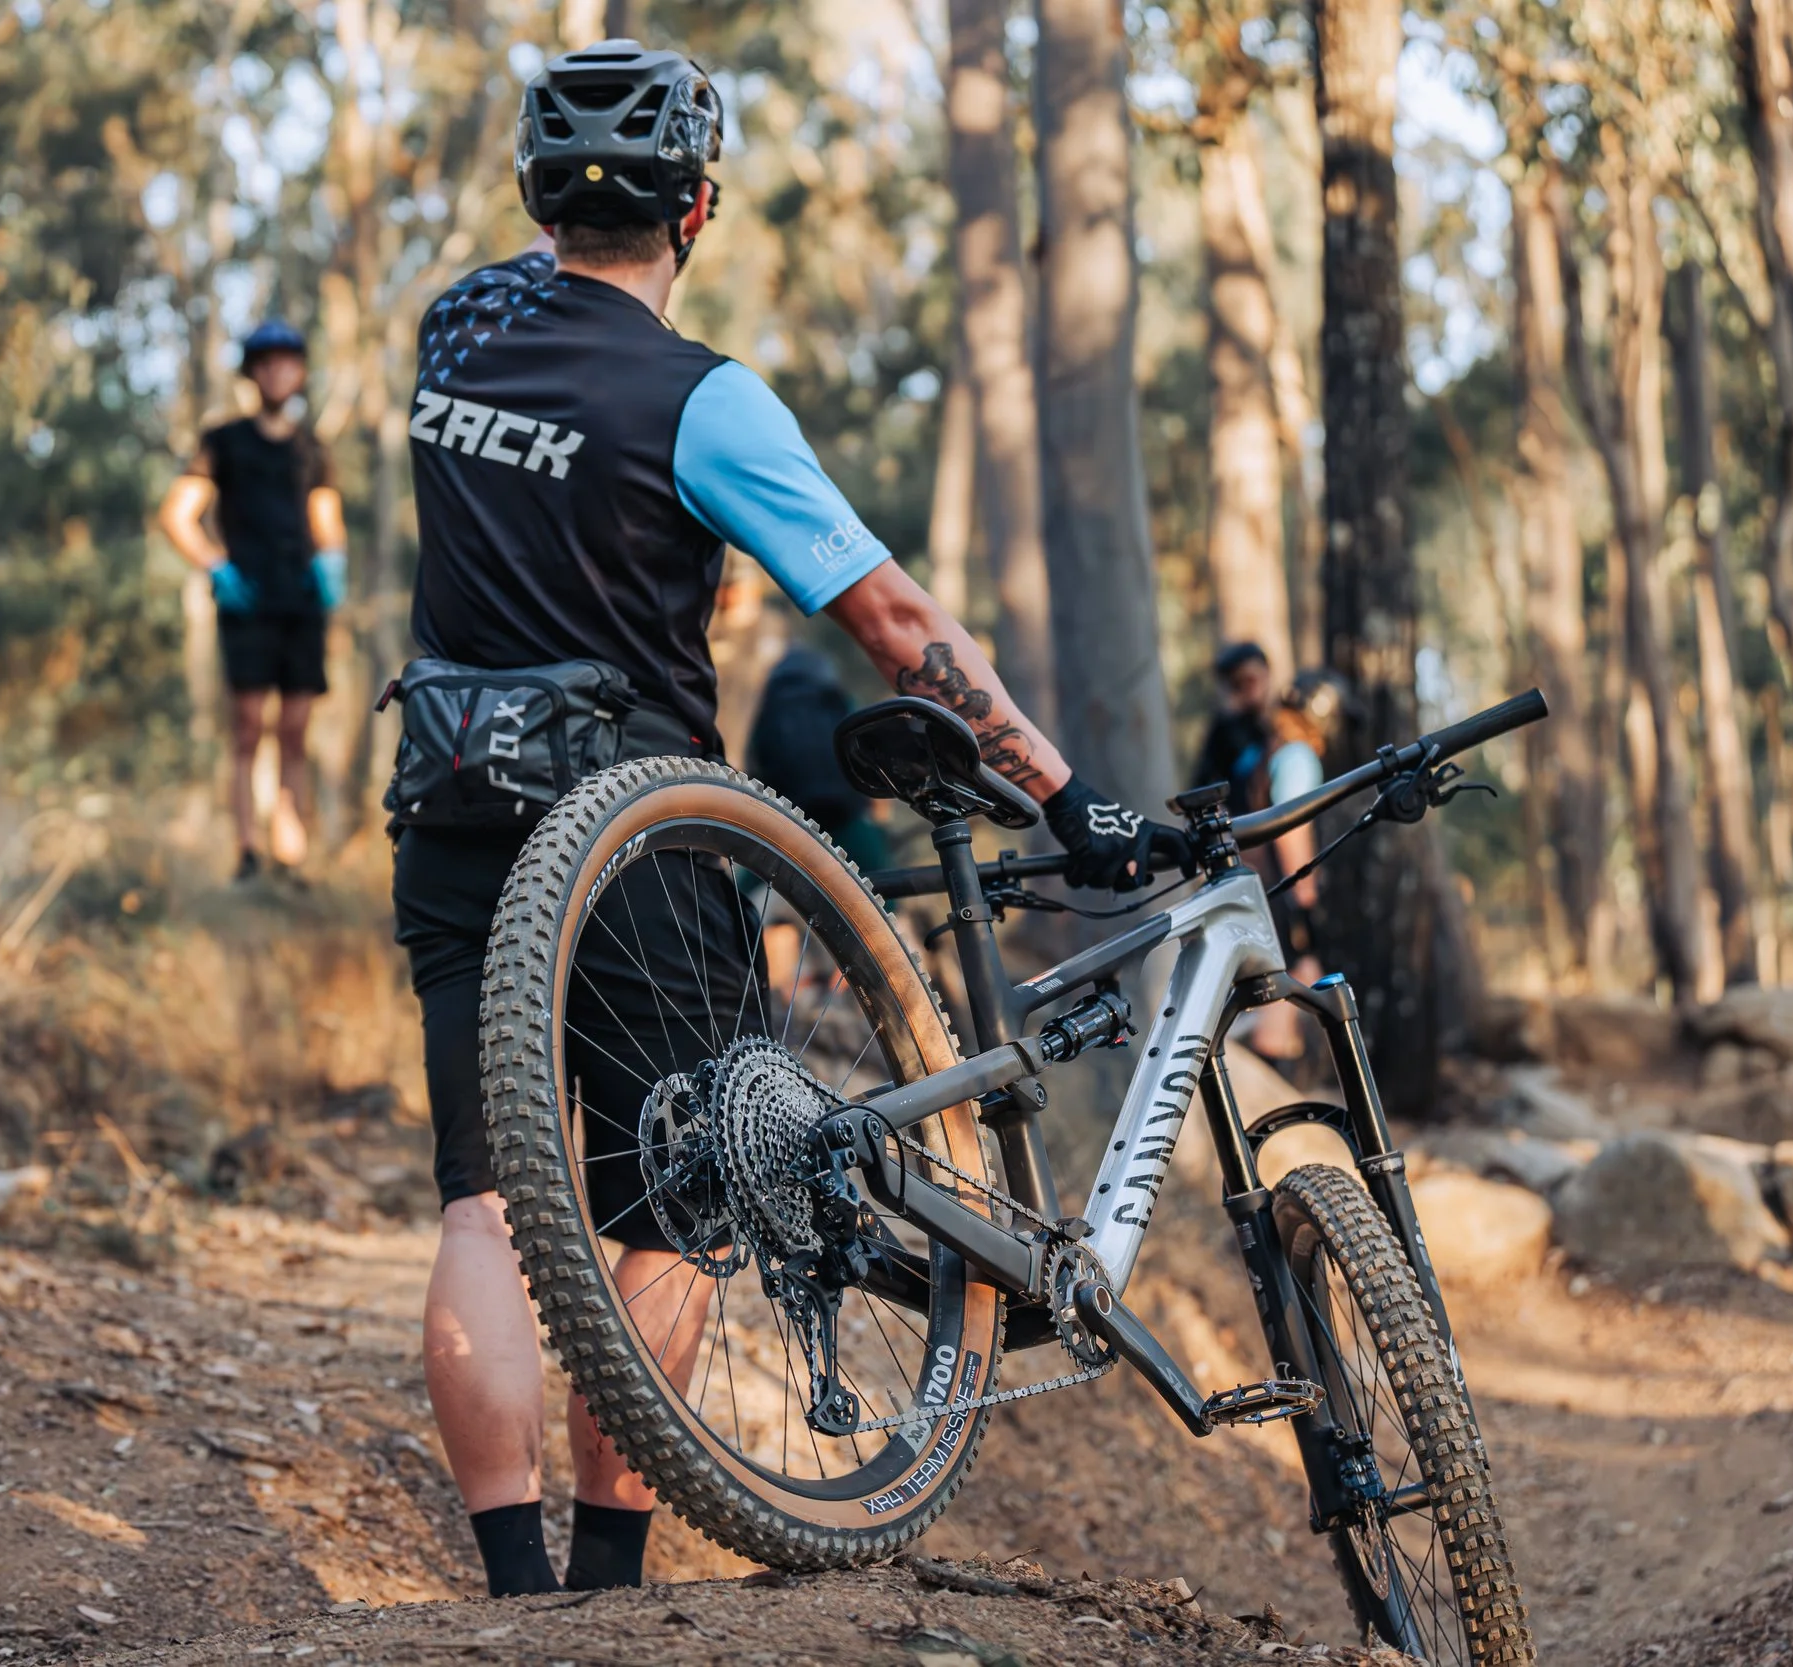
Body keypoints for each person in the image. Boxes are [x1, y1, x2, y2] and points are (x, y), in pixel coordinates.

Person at [389, 39, 1191, 1601]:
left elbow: (528, 302)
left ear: (537, 195)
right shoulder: (704, 400)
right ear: (699, 208)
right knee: (670, 1201)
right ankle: (609, 1576)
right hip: (640, 831)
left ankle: (507, 1579)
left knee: (481, 1194)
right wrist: (1062, 791)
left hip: (455, 799)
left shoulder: (457, 330)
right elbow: (896, 626)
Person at [158, 321, 349, 881]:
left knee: (294, 730)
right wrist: (215, 565)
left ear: (301, 372)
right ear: (252, 373)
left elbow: (326, 521)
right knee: (247, 729)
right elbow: (177, 515)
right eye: (265, 363)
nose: (277, 372)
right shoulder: (223, 441)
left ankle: (291, 855)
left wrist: (333, 563)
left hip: (301, 606)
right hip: (246, 605)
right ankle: (246, 850)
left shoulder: (313, 448)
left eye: (288, 362)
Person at [742, 642, 889, 870]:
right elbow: (868, 757)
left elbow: (755, 767)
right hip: (847, 817)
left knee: (745, 891)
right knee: (883, 892)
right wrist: (878, 822)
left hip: (789, 824)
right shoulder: (837, 700)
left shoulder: (772, 707)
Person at [1191, 641, 1275, 812]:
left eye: (1250, 680)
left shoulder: (1285, 725)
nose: (1246, 690)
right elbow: (1202, 786)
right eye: (1236, 684)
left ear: (1266, 674)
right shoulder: (1224, 731)